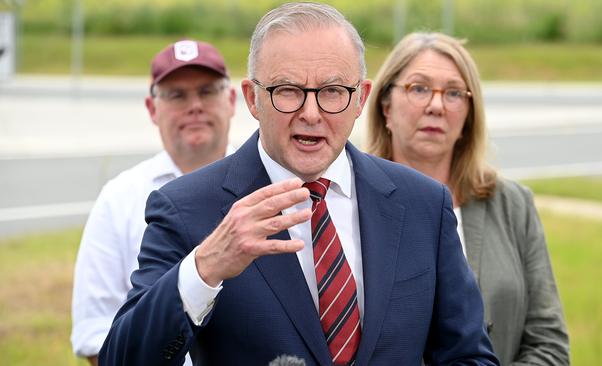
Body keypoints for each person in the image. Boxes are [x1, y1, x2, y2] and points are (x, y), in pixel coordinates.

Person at [99, 3, 498, 365]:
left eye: (332, 91)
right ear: (253, 99)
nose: (311, 113)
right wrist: (204, 268)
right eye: (287, 91)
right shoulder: (187, 209)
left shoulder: (423, 204)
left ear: (361, 98)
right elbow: (124, 359)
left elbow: (469, 357)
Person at [366, 32, 570, 365]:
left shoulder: (513, 205)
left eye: (453, 93)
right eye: (419, 88)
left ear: (468, 116)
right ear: (385, 106)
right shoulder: (353, 201)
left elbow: (549, 344)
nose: (436, 105)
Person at [71, 39, 237, 366]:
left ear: (231, 100)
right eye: (177, 94)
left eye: (207, 91)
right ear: (151, 109)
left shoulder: (266, 186)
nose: (195, 106)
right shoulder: (119, 199)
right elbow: (96, 335)